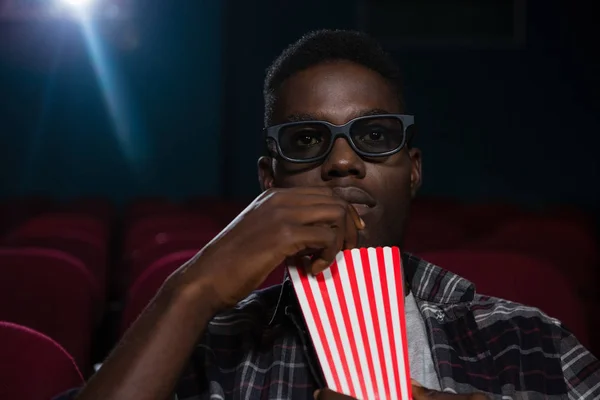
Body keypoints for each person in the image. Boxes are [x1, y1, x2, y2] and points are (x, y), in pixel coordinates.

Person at [56, 30, 599, 400]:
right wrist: (193, 288)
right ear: (269, 183)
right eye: (307, 139)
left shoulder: (528, 341)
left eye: (374, 135)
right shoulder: (205, 350)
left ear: (412, 172)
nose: (342, 162)